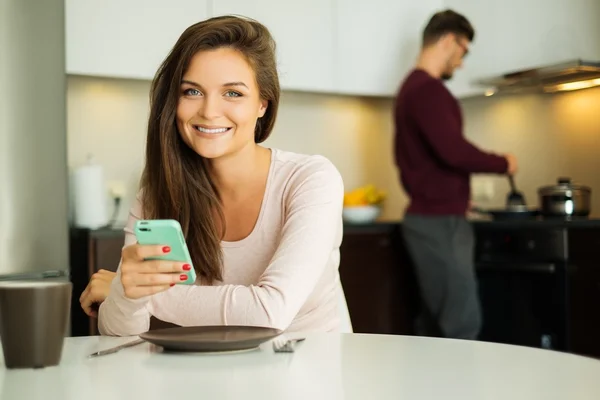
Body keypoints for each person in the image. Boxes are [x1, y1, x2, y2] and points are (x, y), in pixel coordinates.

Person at [84, 15, 345, 336]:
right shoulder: (157, 193)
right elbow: (119, 332)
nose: (209, 111)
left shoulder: (310, 179)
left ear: (263, 103)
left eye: (233, 93)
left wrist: (141, 293)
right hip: (210, 377)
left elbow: (270, 311)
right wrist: (127, 295)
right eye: (192, 91)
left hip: (309, 373)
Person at [393, 9, 518, 340]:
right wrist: (504, 162)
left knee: (436, 325)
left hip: (433, 219)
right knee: (461, 325)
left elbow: (426, 161)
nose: (462, 63)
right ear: (449, 40)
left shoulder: (410, 89)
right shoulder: (427, 90)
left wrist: (456, 198)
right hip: (439, 223)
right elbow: (454, 151)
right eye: (464, 51)